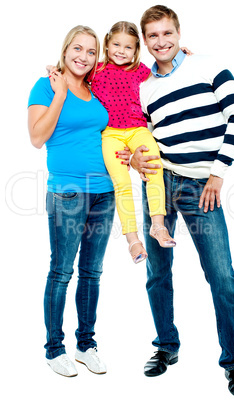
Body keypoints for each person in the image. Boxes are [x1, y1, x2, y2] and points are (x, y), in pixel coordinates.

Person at [130, 5, 234, 398]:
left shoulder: (209, 66)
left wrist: (217, 173)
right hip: (160, 183)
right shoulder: (145, 88)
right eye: (153, 36)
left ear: (178, 34)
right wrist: (134, 158)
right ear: (145, 42)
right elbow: (143, 137)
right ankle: (166, 347)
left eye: (167, 33)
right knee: (158, 271)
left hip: (202, 186)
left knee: (222, 277)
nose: (161, 42)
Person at [28, 25, 116, 377]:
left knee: (92, 272)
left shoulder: (96, 89)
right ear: (65, 51)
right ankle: (54, 349)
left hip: (105, 192)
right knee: (62, 271)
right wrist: (60, 94)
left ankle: (86, 344)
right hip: (67, 192)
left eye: (91, 51)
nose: (83, 56)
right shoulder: (46, 86)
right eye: (77, 49)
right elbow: (36, 137)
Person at [91, 21, 177, 264]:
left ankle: (158, 226)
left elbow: (168, 74)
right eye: (116, 44)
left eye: (128, 47)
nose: (121, 50)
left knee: (154, 168)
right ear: (107, 45)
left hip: (137, 129)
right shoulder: (95, 71)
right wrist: (53, 69)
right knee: (121, 184)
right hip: (111, 134)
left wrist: (184, 55)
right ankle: (132, 240)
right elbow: (73, 72)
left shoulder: (142, 71)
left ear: (136, 49)